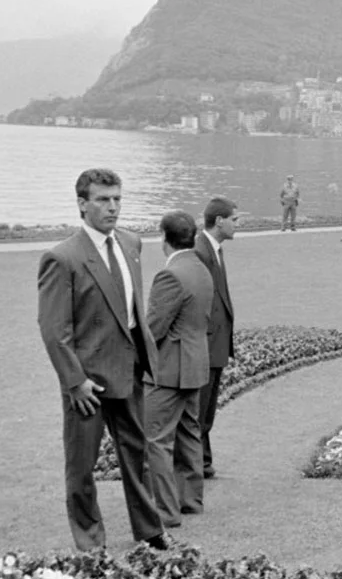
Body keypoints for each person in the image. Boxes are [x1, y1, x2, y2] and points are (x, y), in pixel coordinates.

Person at [36, 168, 167, 551]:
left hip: (128, 369)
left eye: (117, 199)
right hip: (88, 381)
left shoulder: (130, 243)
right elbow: (53, 328)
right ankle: (91, 543)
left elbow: (130, 311)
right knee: (82, 468)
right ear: (82, 204)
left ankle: (150, 531)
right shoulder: (62, 258)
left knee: (137, 455)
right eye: (103, 200)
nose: (113, 207)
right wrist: (74, 381)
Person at [144, 211, 213, 528]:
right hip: (195, 363)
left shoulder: (170, 275)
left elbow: (153, 328)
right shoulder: (201, 268)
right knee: (188, 435)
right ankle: (190, 500)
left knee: (157, 440)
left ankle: (165, 510)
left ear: (164, 238)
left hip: (170, 369)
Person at [194, 196, 238, 480]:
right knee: (199, 411)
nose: (237, 224)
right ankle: (195, 464)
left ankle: (203, 462)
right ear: (219, 221)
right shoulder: (200, 252)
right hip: (205, 346)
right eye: (234, 219)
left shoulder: (215, 250)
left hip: (216, 345)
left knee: (206, 411)